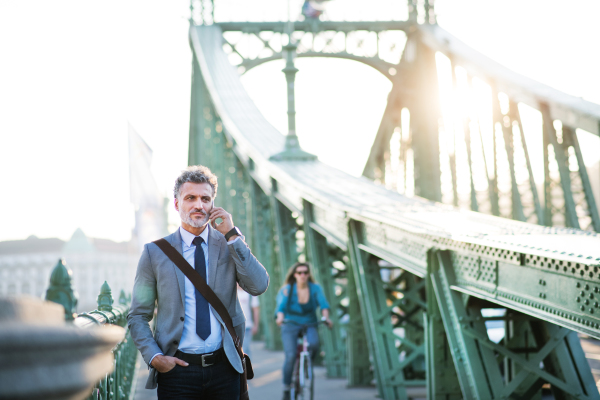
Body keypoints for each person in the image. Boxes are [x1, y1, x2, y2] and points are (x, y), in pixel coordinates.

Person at [127, 165, 269, 400]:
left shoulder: (229, 244)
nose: (198, 205)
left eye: (205, 198)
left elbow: (259, 285)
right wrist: (155, 357)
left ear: (213, 204)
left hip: (225, 369)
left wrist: (232, 234)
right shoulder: (154, 253)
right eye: (190, 198)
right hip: (177, 371)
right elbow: (138, 315)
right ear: (176, 204)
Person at [275, 262, 332, 400]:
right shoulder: (287, 289)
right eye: (299, 273)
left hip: (310, 323)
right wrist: (280, 318)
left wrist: (326, 318)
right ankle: (286, 388)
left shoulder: (315, 288)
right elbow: (281, 307)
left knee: (314, 344)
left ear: (308, 274)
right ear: (294, 275)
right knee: (290, 356)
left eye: (305, 273)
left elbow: (323, 305)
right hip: (290, 323)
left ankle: (307, 363)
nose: (303, 275)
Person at [237, 282, 260, 359]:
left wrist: (256, 325)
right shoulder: (231, 292)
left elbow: (256, 309)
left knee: (245, 350)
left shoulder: (250, 293)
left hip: (247, 326)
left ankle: (246, 369)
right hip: (234, 326)